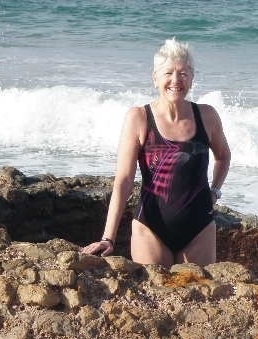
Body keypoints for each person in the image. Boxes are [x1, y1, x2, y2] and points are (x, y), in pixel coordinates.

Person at [81, 38, 231, 267]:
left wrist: (215, 192)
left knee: (198, 297)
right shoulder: (139, 118)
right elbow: (123, 180)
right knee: (152, 299)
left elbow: (224, 156)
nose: (175, 80)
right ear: (155, 78)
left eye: (183, 73)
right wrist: (108, 237)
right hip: (151, 228)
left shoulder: (207, 116)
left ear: (192, 77)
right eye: (168, 73)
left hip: (200, 228)